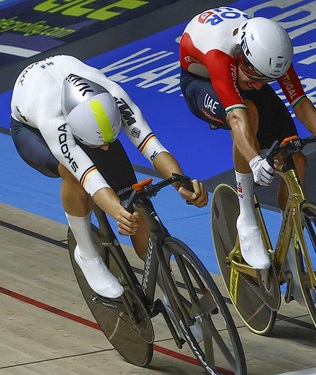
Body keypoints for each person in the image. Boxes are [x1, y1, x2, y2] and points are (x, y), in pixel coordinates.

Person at [179, 7, 316, 300]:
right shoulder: (219, 54)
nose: (260, 85)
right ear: (241, 56)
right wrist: (254, 159)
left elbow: (298, 100)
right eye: (256, 77)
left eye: (266, 80)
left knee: (294, 156)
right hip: (202, 83)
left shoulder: (269, 52)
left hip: (242, 75)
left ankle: (289, 245)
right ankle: (246, 218)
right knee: (248, 115)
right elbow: (236, 119)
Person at [10, 54, 208, 299]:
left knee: (134, 199)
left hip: (76, 96)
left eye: (109, 140)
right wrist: (118, 213)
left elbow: (152, 146)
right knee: (73, 174)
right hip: (31, 129)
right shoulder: (53, 121)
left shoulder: (114, 95)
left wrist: (181, 182)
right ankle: (86, 253)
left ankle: (169, 294)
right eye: (98, 144)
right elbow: (90, 179)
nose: (105, 149)